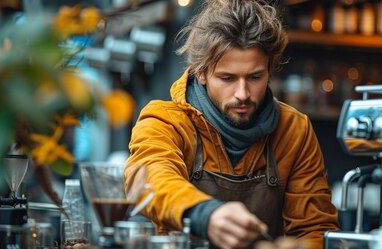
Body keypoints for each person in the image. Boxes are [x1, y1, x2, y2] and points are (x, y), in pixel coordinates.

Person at [124, 0, 340, 248]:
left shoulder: (294, 129)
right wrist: (206, 215)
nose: (243, 93)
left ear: (270, 70)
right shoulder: (165, 120)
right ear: (201, 73)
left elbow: (314, 229)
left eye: (255, 77)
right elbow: (150, 179)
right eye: (227, 78)